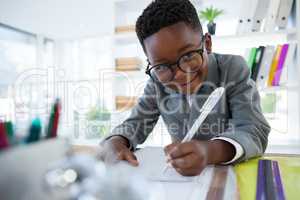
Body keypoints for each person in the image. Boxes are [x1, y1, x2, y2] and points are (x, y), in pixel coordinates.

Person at [100, 0, 270, 176]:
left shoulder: (232, 69)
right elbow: (136, 124)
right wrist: (116, 141)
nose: (181, 74)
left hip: (232, 175)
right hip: (183, 181)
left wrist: (210, 151)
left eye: (188, 56)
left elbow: (253, 129)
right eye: (161, 66)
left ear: (207, 44)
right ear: (151, 64)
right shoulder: (158, 82)